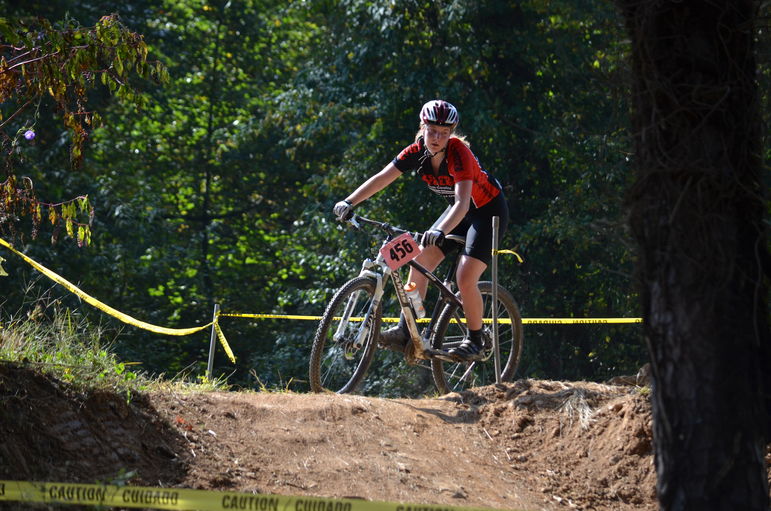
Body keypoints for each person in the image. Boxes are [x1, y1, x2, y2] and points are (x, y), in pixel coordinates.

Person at [333, 100, 509, 361]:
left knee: (465, 276)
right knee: (418, 261)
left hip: (486, 212)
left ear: (451, 134)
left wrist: (439, 231)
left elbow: (462, 203)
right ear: (422, 127)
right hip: (458, 213)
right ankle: (408, 330)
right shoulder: (416, 151)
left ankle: (475, 339)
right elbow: (383, 177)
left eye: (444, 132)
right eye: (432, 131)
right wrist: (349, 201)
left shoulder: (459, 154)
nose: (437, 137)